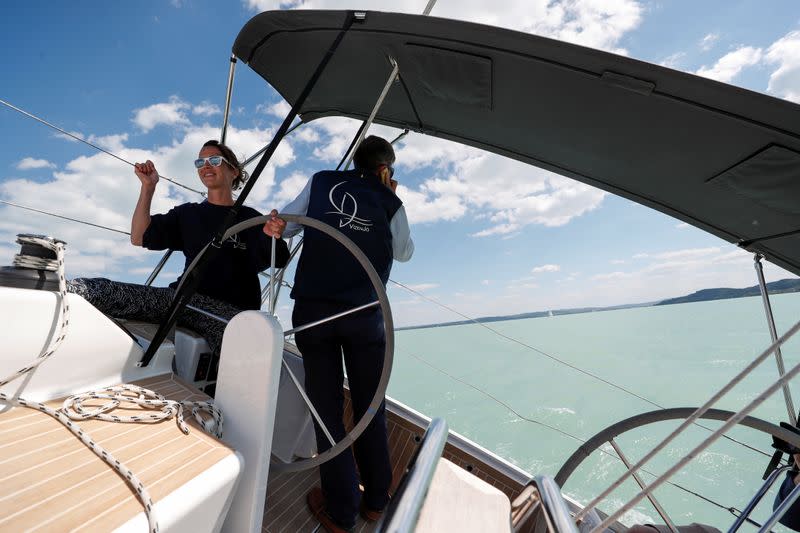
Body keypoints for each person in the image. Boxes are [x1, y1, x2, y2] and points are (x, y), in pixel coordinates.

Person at [264, 135, 414, 532]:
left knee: (326, 411)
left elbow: (285, 227)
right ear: (385, 170)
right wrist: (387, 198)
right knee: (370, 408)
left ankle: (342, 509)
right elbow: (404, 252)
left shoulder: (321, 182)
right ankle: (376, 501)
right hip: (365, 315)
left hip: (315, 312)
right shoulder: (392, 202)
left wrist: (278, 225)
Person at [68, 139, 289, 364]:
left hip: (230, 313)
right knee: (103, 291)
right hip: (183, 300)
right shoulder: (188, 214)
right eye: (200, 162)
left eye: (214, 160)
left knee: (243, 350)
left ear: (233, 171)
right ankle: (66, 292)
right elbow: (139, 237)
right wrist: (148, 187)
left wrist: (273, 233)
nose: (206, 166)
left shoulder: (252, 219)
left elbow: (278, 258)